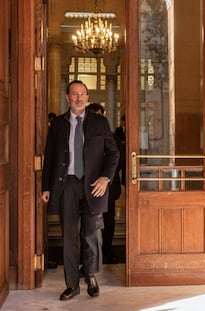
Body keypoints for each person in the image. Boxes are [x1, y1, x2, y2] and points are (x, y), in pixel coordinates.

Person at [41, 80, 120, 301]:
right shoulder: (57, 124)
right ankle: (72, 284)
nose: (79, 98)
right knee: (69, 236)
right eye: (75, 94)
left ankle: (91, 276)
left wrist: (106, 178)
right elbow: (50, 158)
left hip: (94, 185)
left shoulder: (100, 122)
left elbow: (113, 154)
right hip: (68, 185)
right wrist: (46, 187)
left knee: (91, 234)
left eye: (83, 94)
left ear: (87, 97)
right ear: (67, 97)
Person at [87, 103, 123, 264]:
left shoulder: (112, 137)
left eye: (100, 115)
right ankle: (89, 255)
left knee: (108, 221)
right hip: (87, 186)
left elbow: (118, 159)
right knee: (88, 223)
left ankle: (107, 250)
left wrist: (106, 177)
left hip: (108, 186)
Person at [115, 115, 126, 185]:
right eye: (124, 121)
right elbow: (116, 140)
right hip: (121, 150)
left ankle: (125, 181)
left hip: (128, 150)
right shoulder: (118, 129)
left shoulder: (131, 128)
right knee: (122, 166)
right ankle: (123, 182)